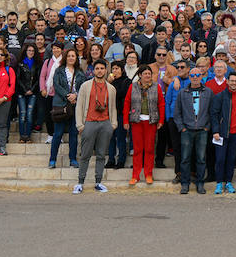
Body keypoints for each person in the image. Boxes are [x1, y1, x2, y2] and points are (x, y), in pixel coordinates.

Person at [72, 59, 117, 194]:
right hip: (89, 122)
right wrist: (80, 125)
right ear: (94, 70)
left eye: (102, 68)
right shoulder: (86, 86)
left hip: (105, 123)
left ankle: (98, 181)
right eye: (97, 68)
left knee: (101, 154)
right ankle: (80, 182)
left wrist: (113, 124)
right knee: (85, 154)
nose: (99, 71)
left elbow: (113, 107)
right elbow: (79, 106)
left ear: (105, 70)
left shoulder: (111, 88)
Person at [175, 67, 214, 194]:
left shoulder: (208, 92)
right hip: (187, 130)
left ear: (202, 76)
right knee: (185, 158)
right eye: (193, 75)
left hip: (202, 130)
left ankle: (200, 183)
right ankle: (185, 184)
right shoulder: (183, 92)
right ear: (189, 77)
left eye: (198, 74)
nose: (195, 77)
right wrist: (182, 128)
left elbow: (211, 111)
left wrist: (207, 127)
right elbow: (177, 113)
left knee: (201, 158)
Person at [123, 66, 164, 185]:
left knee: (150, 149)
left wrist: (161, 120)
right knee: (137, 149)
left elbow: (161, 103)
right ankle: (135, 175)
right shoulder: (133, 86)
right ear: (140, 75)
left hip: (151, 121)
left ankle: (148, 174)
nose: (147, 76)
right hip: (136, 121)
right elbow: (127, 103)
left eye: (149, 73)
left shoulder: (157, 87)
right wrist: (125, 120)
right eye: (145, 73)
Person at [50, 48, 85, 169]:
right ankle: (52, 159)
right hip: (61, 104)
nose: (71, 58)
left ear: (76, 58)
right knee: (58, 133)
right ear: (66, 57)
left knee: (73, 133)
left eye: (73, 56)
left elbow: (83, 87)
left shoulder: (80, 72)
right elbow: (56, 85)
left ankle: (73, 159)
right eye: (69, 56)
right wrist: (68, 95)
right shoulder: (59, 71)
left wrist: (76, 95)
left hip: (75, 104)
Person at [211, 71, 236, 194]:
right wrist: (215, 130)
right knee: (220, 159)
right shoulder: (220, 96)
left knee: (231, 159)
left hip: (235, 133)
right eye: (232, 81)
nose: (234, 83)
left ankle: (229, 182)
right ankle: (219, 183)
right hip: (221, 133)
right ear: (227, 81)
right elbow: (214, 114)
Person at [16, 43, 40, 143]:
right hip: (22, 93)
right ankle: (22, 136)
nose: (31, 52)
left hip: (33, 92)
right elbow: (18, 79)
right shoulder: (20, 63)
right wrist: (25, 90)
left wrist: (32, 90)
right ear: (25, 52)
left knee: (30, 114)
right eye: (29, 50)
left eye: (33, 51)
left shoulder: (37, 64)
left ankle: (28, 136)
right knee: (22, 114)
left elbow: (38, 79)